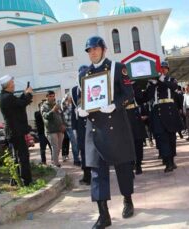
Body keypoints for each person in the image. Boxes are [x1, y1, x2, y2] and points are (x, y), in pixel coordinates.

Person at [78, 36, 136, 229]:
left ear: (104, 49)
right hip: (94, 128)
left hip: (115, 125)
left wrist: (115, 106)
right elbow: (82, 98)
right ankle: (104, 215)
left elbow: (129, 95)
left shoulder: (117, 68)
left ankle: (127, 200)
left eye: (95, 48)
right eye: (89, 50)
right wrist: (81, 108)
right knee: (96, 172)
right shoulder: (84, 73)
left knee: (123, 167)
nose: (92, 52)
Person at [146, 61, 183, 173]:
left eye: (164, 68)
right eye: (161, 68)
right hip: (158, 110)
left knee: (171, 137)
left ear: (167, 69)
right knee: (161, 137)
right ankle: (168, 162)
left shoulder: (171, 80)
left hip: (169, 110)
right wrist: (152, 84)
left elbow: (173, 87)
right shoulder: (154, 82)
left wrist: (161, 79)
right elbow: (148, 96)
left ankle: (171, 160)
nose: (162, 70)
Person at [0, 75, 33, 186]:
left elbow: (19, 103)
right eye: (12, 83)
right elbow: (22, 103)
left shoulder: (7, 97)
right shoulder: (7, 97)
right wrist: (28, 94)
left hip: (14, 131)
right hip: (15, 132)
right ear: (8, 85)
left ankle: (16, 179)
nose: (14, 85)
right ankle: (25, 181)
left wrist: (25, 94)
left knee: (17, 156)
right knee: (22, 156)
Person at [72, 65, 91, 185]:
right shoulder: (74, 90)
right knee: (83, 151)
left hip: (91, 122)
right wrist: (74, 127)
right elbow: (73, 109)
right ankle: (86, 176)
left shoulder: (92, 86)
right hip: (80, 124)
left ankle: (96, 174)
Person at [126, 82, 147, 175]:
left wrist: (134, 84)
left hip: (134, 116)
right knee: (127, 144)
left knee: (138, 142)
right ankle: (130, 165)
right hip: (123, 116)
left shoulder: (134, 85)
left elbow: (140, 98)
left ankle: (138, 164)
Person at [41, 91, 65, 167]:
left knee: (59, 147)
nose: (52, 98)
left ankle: (53, 161)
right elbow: (46, 116)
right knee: (55, 147)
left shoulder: (56, 105)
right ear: (47, 97)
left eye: (53, 96)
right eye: (50, 96)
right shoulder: (43, 106)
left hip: (59, 129)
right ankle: (56, 163)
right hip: (51, 131)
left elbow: (61, 115)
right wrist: (53, 110)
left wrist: (63, 124)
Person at [61, 94, 81, 166]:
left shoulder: (74, 105)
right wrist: (68, 99)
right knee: (74, 144)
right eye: (68, 98)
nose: (70, 98)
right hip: (69, 127)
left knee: (78, 143)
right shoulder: (65, 106)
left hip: (76, 127)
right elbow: (63, 104)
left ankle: (78, 158)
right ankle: (76, 160)